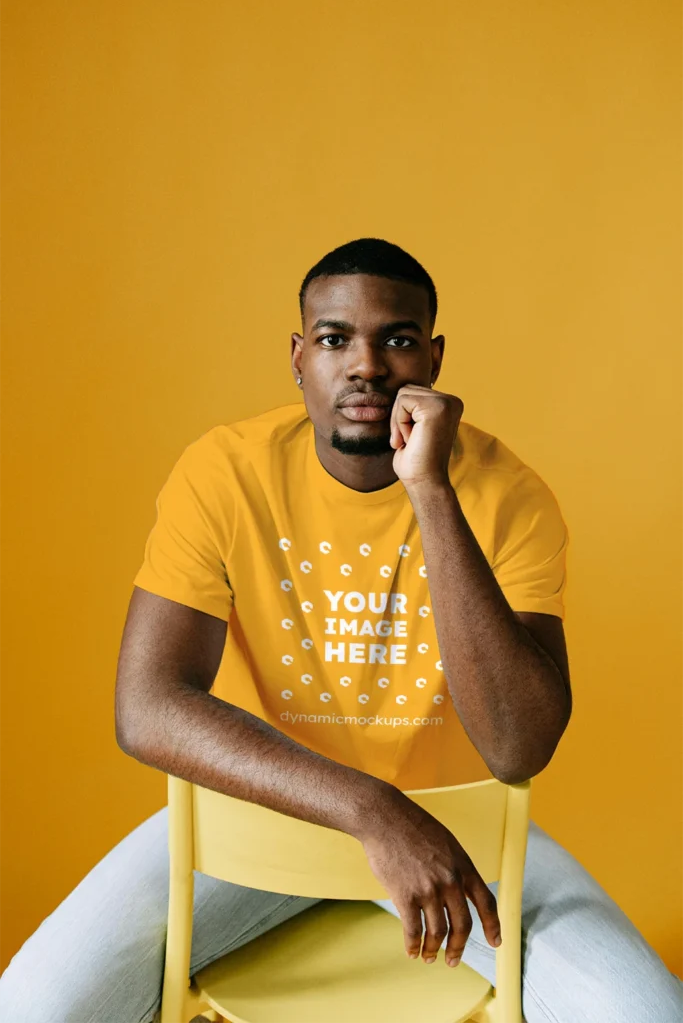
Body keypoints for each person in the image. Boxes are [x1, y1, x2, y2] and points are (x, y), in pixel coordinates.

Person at [1, 238, 681, 1023]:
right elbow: (146, 705)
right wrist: (372, 811)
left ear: (433, 355)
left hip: (457, 837)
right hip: (259, 824)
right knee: (34, 1008)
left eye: (396, 339)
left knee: (645, 1014)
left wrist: (427, 488)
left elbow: (518, 746)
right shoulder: (223, 473)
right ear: (298, 358)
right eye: (333, 340)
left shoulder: (508, 496)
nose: (365, 365)